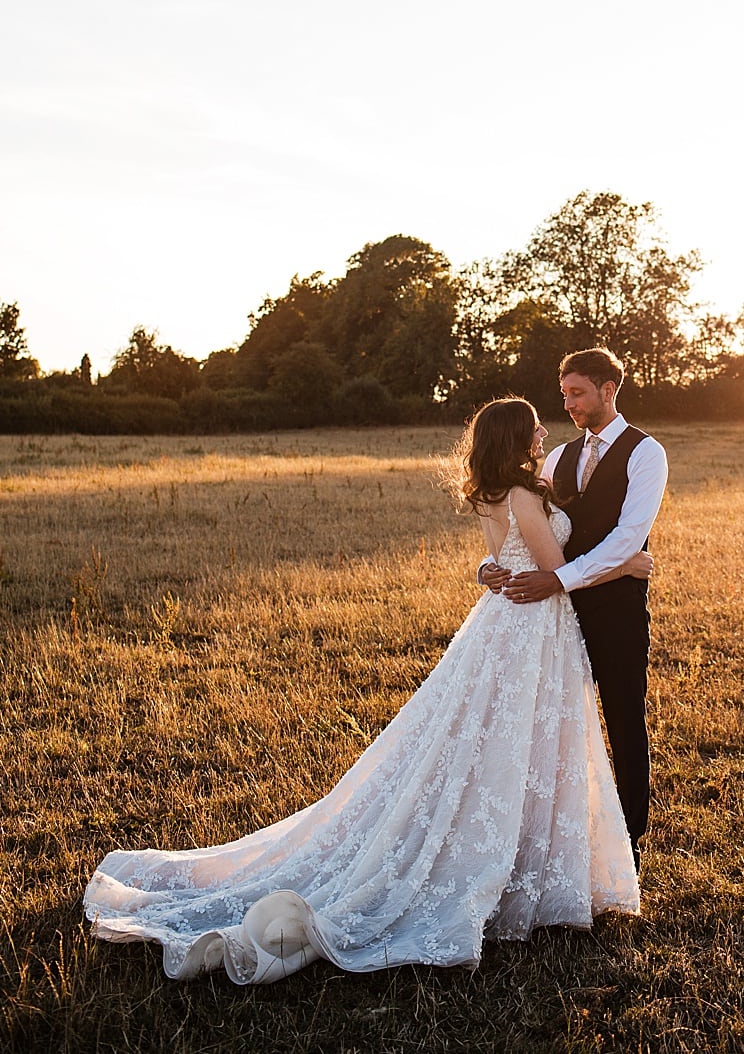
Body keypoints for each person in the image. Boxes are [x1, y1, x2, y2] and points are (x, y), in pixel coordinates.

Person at [83, 398, 648, 984]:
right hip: (529, 625)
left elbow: (495, 555)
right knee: (514, 745)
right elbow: (555, 570)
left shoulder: (492, 491)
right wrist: (627, 565)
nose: (542, 430)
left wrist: (486, 570)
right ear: (514, 436)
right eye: (532, 424)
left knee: (492, 745)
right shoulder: (527, 495)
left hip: (503, 621)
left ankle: (520, 853)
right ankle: (506, 864)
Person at [483, 349, 668, 872]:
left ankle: (628, 837)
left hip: (614, 611)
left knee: (625, 719)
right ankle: (548, 834)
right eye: (564, 393)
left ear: (610, 389)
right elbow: (523, 524)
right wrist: (487, 566)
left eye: (578, 393)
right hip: (550, 621)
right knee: (550, 724)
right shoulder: (557, 457)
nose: (569, 404)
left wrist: (557, 579)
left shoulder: (644, 454)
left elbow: (628, 536)